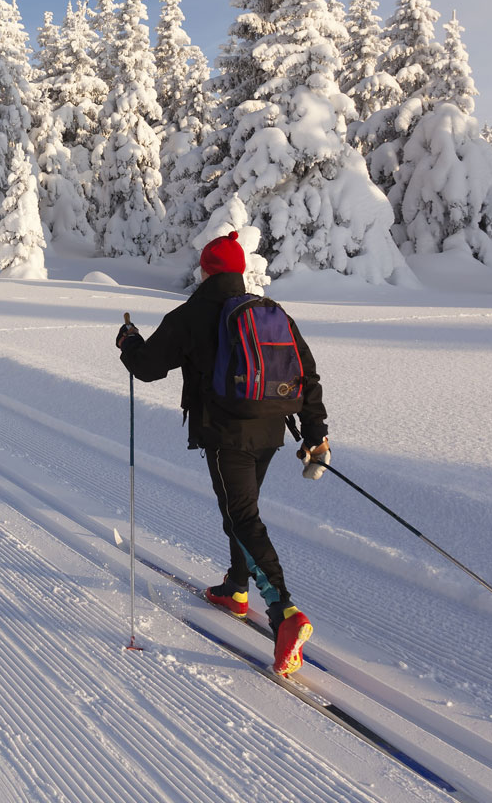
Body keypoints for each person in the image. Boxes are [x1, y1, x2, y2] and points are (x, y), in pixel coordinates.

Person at [116, 232, 329, 677]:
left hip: (224, 433)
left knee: (241, 518)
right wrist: (315, 435)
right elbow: (307, 376)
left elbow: (148, 367)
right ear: (239, 271)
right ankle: (236, 587)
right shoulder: (271, 313)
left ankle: (285, 613)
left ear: (206, 270)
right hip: (271, 431)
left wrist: (129, 342)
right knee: (241, 509)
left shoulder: (192, 315)